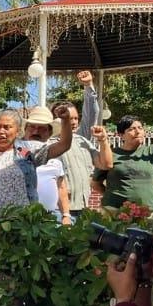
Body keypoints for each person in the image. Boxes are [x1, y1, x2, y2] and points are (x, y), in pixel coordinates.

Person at [0, 107, 72, 224]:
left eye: (7, 127)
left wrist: (66, 120)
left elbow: (64, 145)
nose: (1, 131)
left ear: (17, 131)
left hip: (23, 225)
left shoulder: (27, 150)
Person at [92, 93, 153, 212]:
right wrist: (113, 197)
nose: (137, 132)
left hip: (148, 213)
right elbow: (96, 183)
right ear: (121, 135)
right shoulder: (110, 155)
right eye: (131, 129)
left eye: (140, 128)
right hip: (115, 214)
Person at [49, 70, 113, 217]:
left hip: (81, 208)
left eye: (75, 118)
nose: (72, 122)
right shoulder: (47, 144)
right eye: (67, 118)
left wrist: (88, 85)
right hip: (56, 211)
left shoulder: (81, 139)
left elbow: (91, 114)